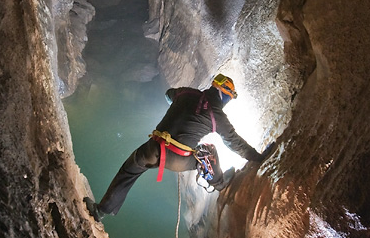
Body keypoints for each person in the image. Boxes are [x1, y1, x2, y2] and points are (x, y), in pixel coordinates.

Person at [84, 74, 274, 222]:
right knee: (208, 150)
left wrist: (178, 107)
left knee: (128, 171)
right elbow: (234, 142)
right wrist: (258, 158)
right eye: (229, 97)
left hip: (152, 149)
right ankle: (220, 184)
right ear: (224, 94)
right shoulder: (216, 114)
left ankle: (101, 210)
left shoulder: (186, 93)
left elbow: (169, 93)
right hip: (178, 160)